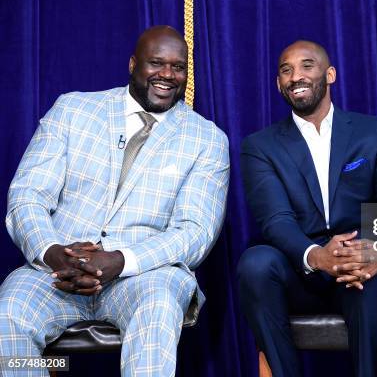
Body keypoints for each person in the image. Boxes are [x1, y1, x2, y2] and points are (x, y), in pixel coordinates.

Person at [0, 26, 230, 376]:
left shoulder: (206, 139)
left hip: (143, 276)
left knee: (158, 305)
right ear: (133, 64)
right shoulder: (73, 110)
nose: (168, 75)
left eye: (178, 67)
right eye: (156, 63)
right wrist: (52, 252)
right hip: (58, 271)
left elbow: (195, 232)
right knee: (8, 312)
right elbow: (27, 195)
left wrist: (121, 261)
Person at [237, 40, 377, 377]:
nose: (295, 76)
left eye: (307, 65)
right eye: (285, 70)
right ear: (277, 83)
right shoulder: (259, 146)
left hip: (364, 272)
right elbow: (276, 221)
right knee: (255, 263)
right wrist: (318, 256)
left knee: (363, 275)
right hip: (301, 272)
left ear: (329, 74)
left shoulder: (376, 132)